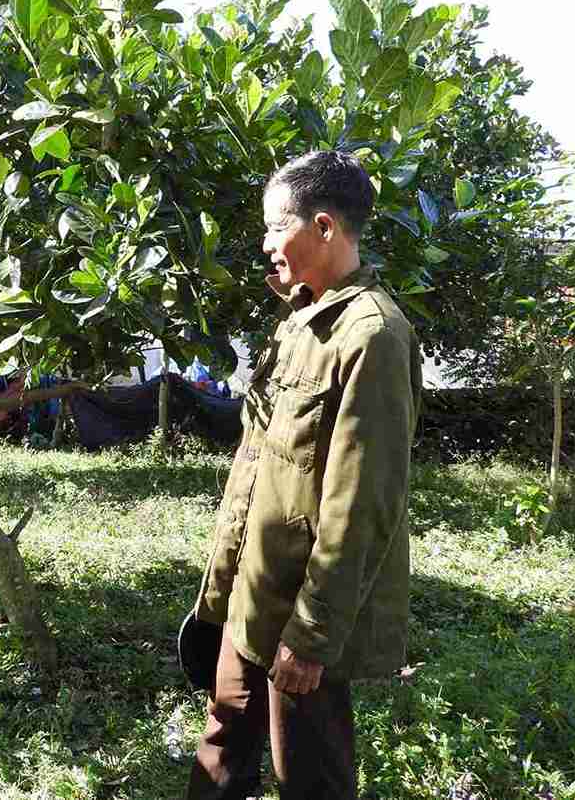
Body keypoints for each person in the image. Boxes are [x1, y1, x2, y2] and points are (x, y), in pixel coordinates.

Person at [183, 150, 421, 799]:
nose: (265, 246)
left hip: (299, 613)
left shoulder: (372, 336)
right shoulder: (303, 317)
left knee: (309, 779)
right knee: (222, 743)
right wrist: (225, 585)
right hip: (252, 593)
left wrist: (310, 637)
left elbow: (360, 506)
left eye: (274, 228)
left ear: (322, 226)